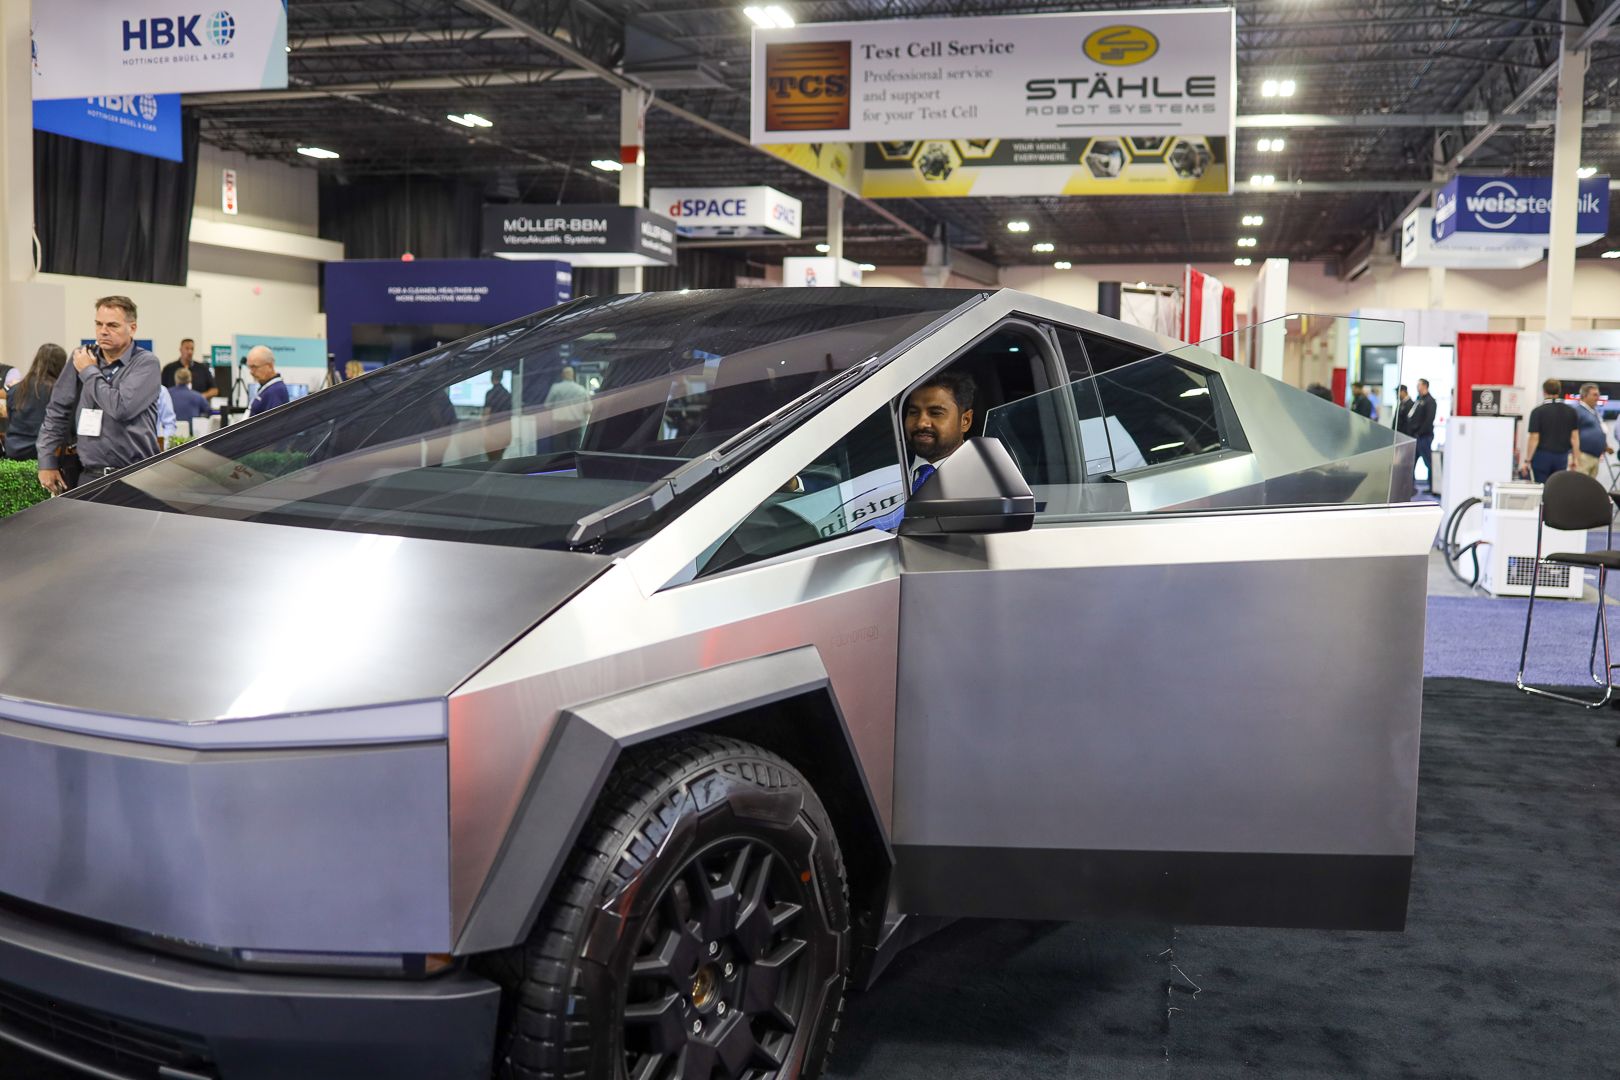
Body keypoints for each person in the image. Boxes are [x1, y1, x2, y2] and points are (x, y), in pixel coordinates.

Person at [36, 296, 160, 493]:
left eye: (112, 325)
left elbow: (121, 408)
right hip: (89, 477)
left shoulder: (145, 363)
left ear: (132, 328)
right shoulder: (81, 356)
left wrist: (88, 371)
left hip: (135, 477)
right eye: (99, 324)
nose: (103, 331)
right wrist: (46, 461)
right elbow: (57, 410)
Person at [903, 371, 975, 494]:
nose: (921, 423)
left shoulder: (984, 476)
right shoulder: (887, 469)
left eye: (935, 413)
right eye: (913, 412)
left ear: (965, 421)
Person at [3, 343, 67, 460]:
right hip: (44, 454)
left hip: (14, 450)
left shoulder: (15, 389)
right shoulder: (59, 391)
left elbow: (11, 418)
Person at [1523, 378, 1580, 483]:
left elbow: (1534, 438)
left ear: (1544, 392)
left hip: (1542, 456)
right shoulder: (1571, 411)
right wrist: (1575, 459)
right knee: (1557, 487)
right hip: (1561, 456)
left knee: (1541, 487)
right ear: (1559, 391)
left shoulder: (1538, 411)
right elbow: (1574, 437)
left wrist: (1527, 460)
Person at [542, 365, 591, 451]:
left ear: (562, 375)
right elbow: (588, 408)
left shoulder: (556, 388)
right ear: (573, 375)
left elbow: (547, 405)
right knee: (575, 449)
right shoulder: (581, 389)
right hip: (576, 424)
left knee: (559, 450)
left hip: (560, 424)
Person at [1572, 382, 1609, 479]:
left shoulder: (1594, 412)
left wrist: (1605, 446)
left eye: (1598, 395)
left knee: (1590, 489)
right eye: (1595, 395)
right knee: (1580, 486)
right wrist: (1575, 456)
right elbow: (1572, 434)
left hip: (1594, 457)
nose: (1598, 398)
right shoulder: (1577, 411)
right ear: (1584, 395)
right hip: (1583, 457)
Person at [245, 345, 290, 416]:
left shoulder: (275, 391)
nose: (251, 372)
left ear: (270, 366)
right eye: (249, 367)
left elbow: (273, 423)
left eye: (254, 367)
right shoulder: (268, 388)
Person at [1410, 378, 1438, 488]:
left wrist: (1420, 432)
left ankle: (1433, 487)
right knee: (1412, 462)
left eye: (1419, 385)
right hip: (1417, 436)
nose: (1417, 387)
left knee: (1428, 462)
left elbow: (1429, 420)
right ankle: (1410, 486)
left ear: (1425, 386)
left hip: (1424, 437)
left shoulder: (1430, 401)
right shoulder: (1419, 399)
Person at [483, 369, 513, 460]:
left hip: (493, 431)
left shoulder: (490, 393)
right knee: (499, 458)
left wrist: (483, 431)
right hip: (505, 431)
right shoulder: (507, 393)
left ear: (491, 378)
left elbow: (486, 414)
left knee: (492, 460)